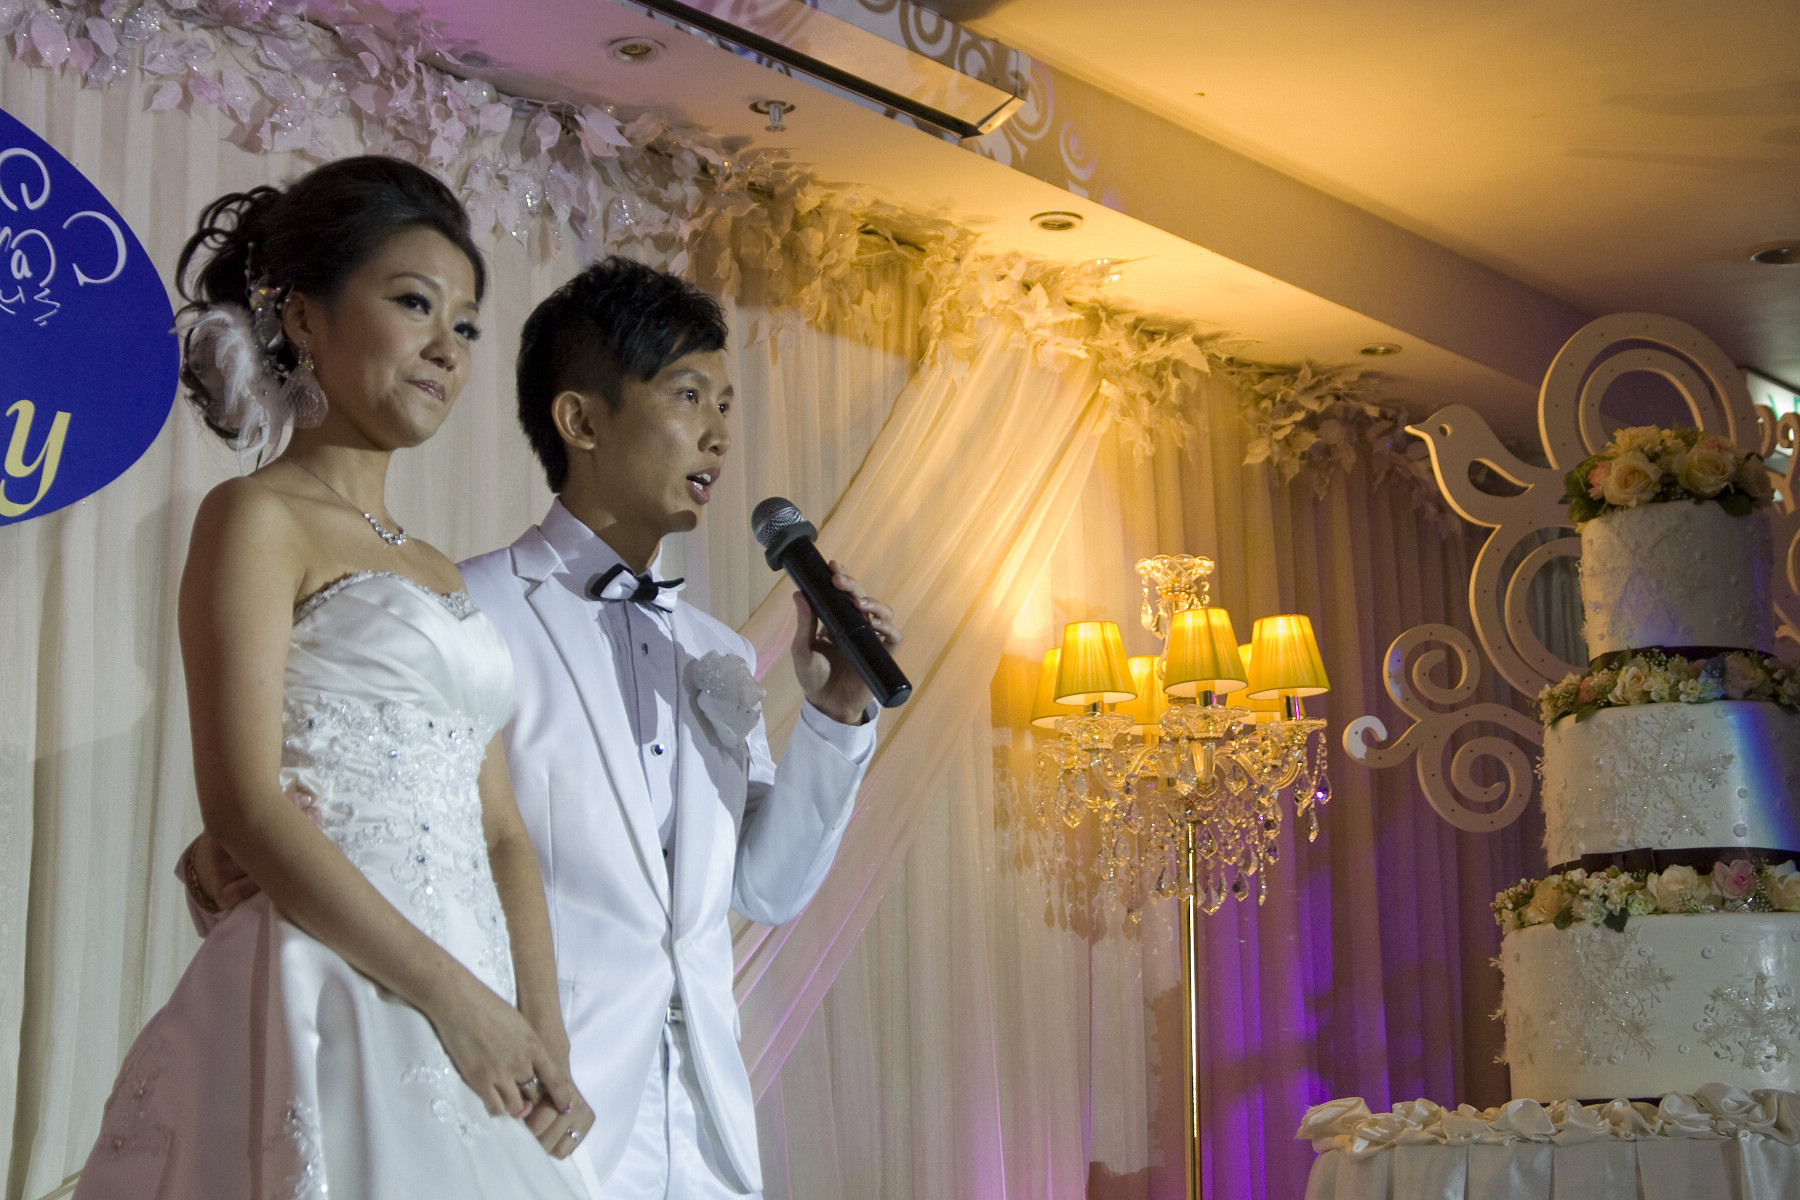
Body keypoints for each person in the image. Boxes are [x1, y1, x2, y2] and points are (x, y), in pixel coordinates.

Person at [75, 156, 593, 1200]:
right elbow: (243, 803)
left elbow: (500, 830)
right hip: (334, 984)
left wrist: (540, 1031)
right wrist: (455, 1002)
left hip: (479, 1012)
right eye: (414, 303)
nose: (447, 347)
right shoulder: (254, 517)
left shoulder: (440, 572)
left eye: (466, 324)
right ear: (301, 316)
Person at [454, 258, 902, 1198]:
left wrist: (835, 716)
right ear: (580, 421)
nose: (719, 434)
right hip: (538, 1119)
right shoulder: (469, 610)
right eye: (688, 395)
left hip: (705, 1135)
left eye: (727, 405)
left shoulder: (716, 651)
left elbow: (764, 889)